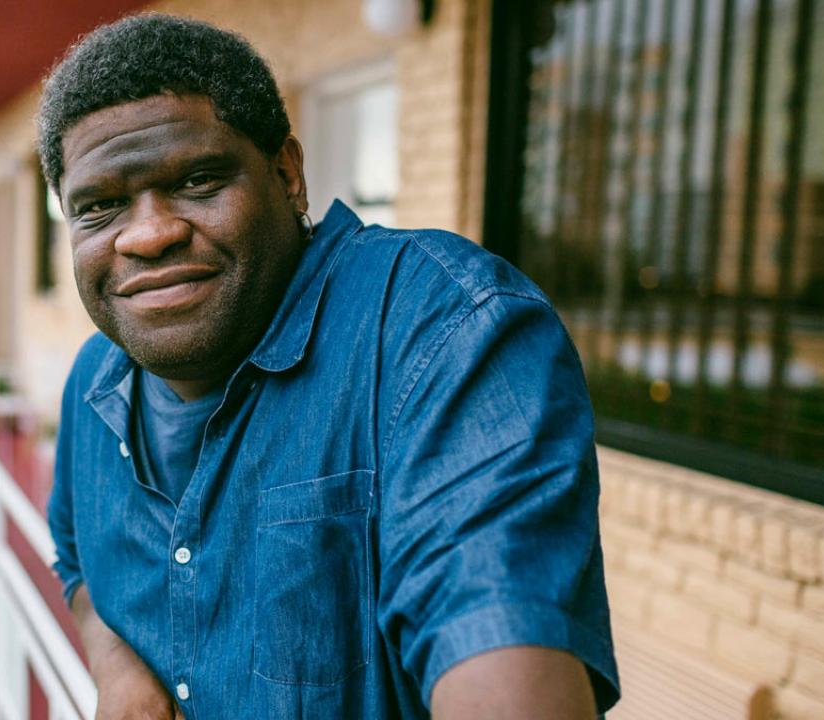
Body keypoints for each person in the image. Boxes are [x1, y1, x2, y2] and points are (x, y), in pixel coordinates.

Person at [40, 13, 618, 720]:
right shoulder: (94, 381)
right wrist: (117, 669)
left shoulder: (440, 332)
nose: (151, 232)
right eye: (99, 207)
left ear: (286, 174)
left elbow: (494, 639)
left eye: (197, 179)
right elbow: (75, 559)